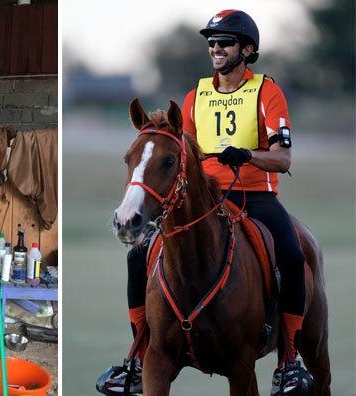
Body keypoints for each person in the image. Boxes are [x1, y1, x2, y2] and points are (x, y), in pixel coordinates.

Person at [98, 10, 312, 396]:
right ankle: (136, 355)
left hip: (256, 195)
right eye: (212, 42)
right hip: (206, 197)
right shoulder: (195, 97)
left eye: (225, 42)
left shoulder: (268, 92)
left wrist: (246, 155)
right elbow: (183, 154)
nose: (216, 48)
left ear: (246, 50)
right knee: (136, 256)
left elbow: (283, 158)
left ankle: (289, 362)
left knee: (294, 256)